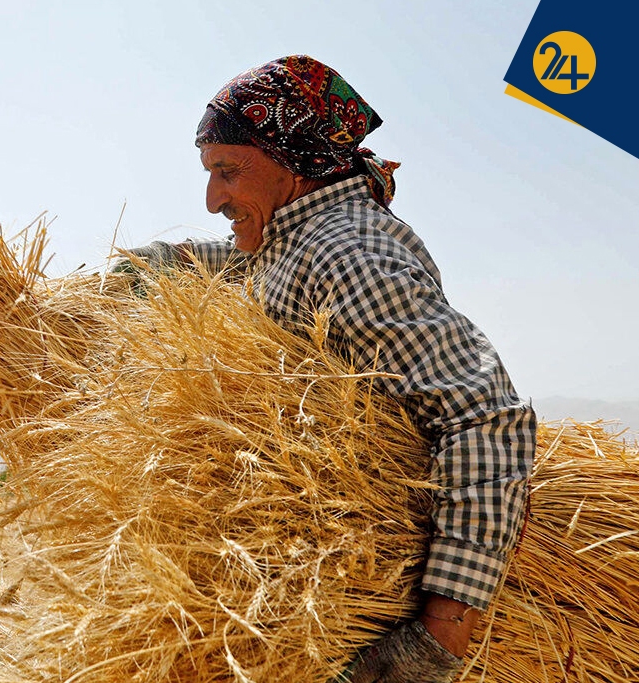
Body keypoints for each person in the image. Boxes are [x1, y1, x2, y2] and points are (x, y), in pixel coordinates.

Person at [119, 55, 536, 683]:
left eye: (228, 172)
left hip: (370, 603)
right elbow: (253, 266)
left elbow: (484, 416)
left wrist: (439, 637)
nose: (212, 199)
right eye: (210, 174)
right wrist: (160, 263)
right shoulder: (293, 236)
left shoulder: (346, 252)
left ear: (294, 162)